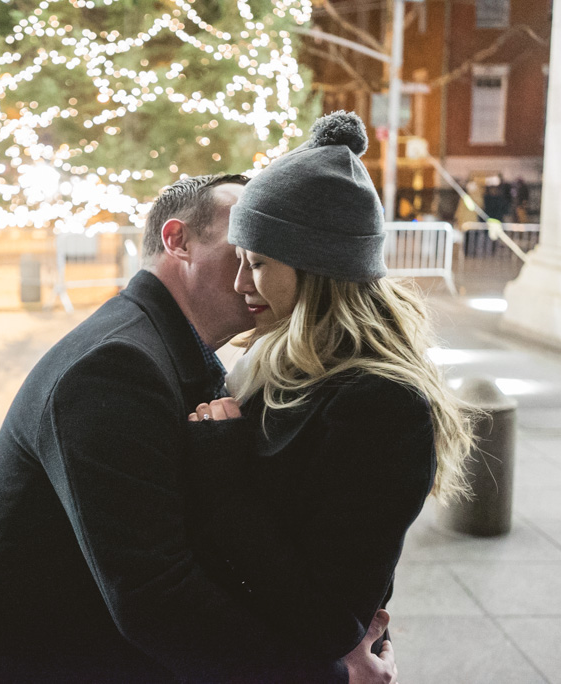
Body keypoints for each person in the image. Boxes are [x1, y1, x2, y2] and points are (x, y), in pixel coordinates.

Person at [0, 173, 398, 683]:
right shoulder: (114, 366)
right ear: (177, 241)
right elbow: (157, 596)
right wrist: (327, 676)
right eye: (245, 246)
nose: (258, 270)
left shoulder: (174, 355)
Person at [185, 111, 473, 661]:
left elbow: (326, 614)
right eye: (241, 261)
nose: (242, 284)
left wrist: (221, 472)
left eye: (260, 263)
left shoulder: (381, 405)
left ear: (318, 268)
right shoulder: (278, 365)